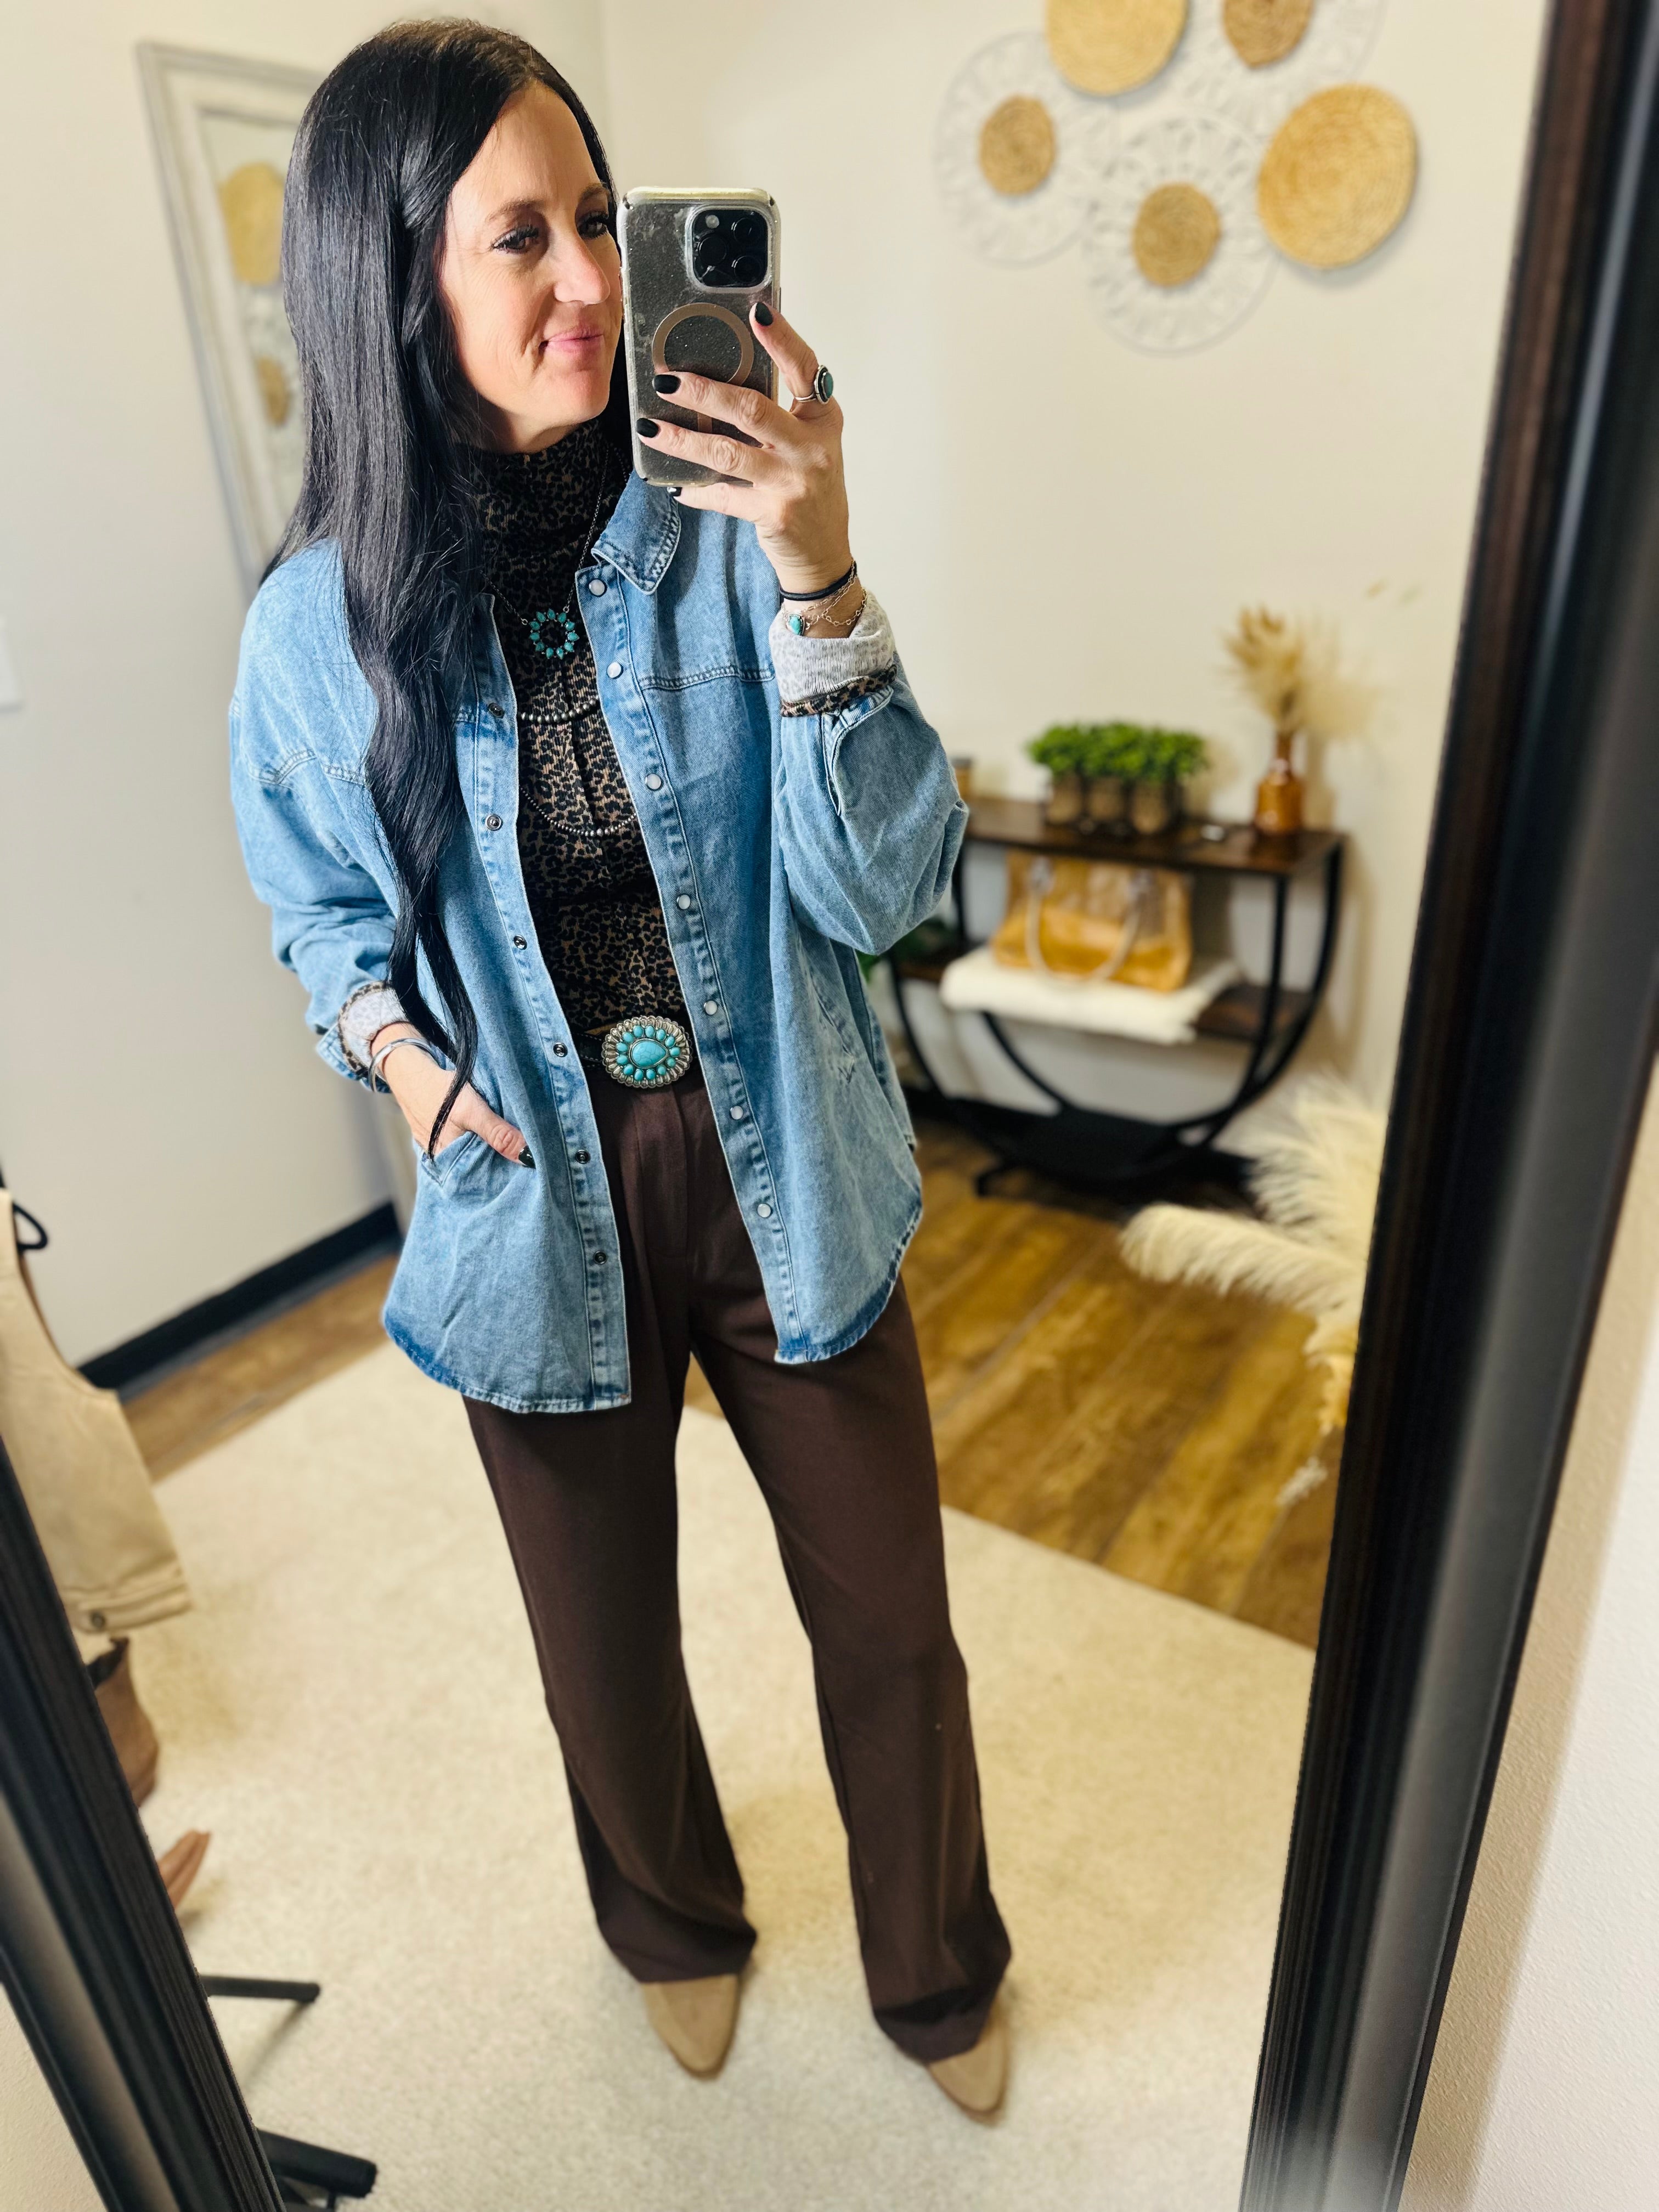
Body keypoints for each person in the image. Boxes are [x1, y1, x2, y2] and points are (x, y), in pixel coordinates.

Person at [230, 20, 1010, 2115]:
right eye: (524, 238)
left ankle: (938, 1970)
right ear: (398, 285)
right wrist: (402, 1062)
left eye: (601, 216)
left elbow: (887, 889)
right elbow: (318, 913)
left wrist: (819, 566)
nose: (589, 279)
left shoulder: (729, 519)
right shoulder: (312, 630)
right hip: (528, 1184)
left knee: (893, 1628)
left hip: (788, 1154)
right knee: (604, 1655)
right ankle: (674, 1927)